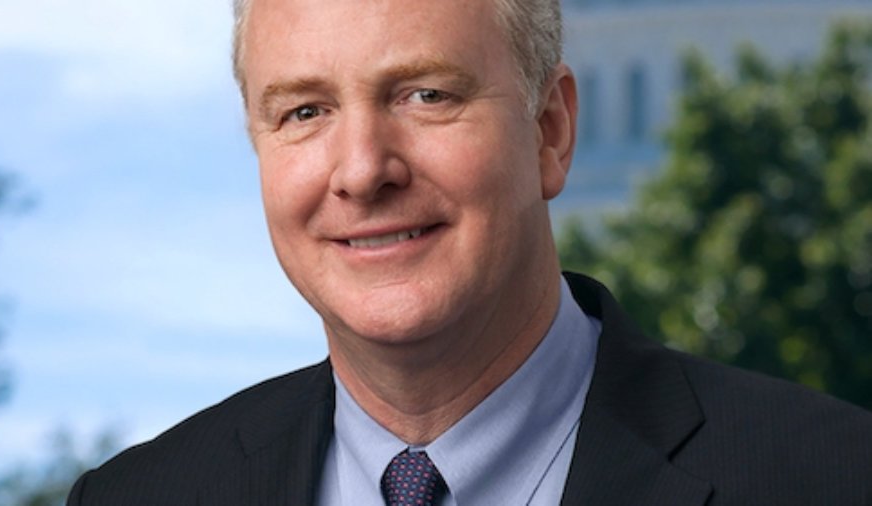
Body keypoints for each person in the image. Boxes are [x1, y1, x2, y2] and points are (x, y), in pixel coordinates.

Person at [67, 0, 872, 504]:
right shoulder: (138, 495)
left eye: (426, 95)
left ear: (550, 130)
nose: (362, 170)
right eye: (305, 111)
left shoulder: (832, 476)